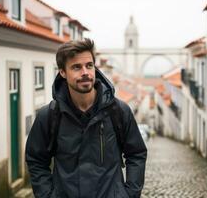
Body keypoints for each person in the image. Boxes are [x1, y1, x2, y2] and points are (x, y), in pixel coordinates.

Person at [25, 38, 147, 198]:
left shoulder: (118, 111)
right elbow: (36, 160)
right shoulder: (49, 116)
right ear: (62, 72)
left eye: (89, 66)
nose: (85, 73)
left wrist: (130, 194)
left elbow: (136, 153)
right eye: (76, 67)